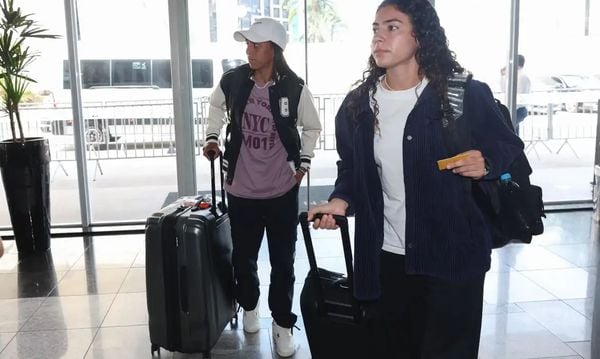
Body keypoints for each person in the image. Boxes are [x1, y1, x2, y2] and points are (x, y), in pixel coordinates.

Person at [307, 0, 523, 358]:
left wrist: (486, 163)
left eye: (392, 27)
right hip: (387, 259)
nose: (379, 37)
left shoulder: (461, 94)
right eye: (376, 29)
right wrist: (341, 201)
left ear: (420, 36)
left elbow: (507, 145)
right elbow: (353, 170)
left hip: (453, 258)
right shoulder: (359, 106)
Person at [202, 18, 321, 358]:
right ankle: (249, 305)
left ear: (274, 50)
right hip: (241, 189)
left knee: (283, 261)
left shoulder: (294, 88)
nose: (248, 50)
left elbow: (311, 127)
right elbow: (214, 108)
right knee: (243, 258)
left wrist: (302, 164)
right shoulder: (234, 81)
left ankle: (282, 324)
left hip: (282, 191)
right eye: (248, 45)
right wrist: (213, 138)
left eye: (255, 45)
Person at [500, 54, 531, 133]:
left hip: (518, 109)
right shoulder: (516, 76)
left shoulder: (521, 77)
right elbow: (505, 90)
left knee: (509, 129)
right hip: (516, 109)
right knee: (513, 131)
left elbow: (518, 95)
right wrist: (503, 76)